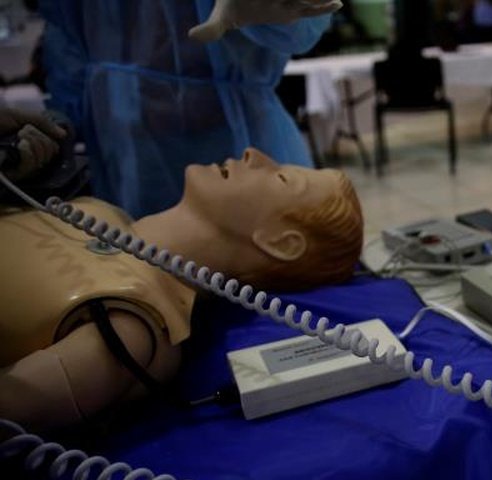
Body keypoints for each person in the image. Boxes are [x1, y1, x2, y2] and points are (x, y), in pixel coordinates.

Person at [0, 147, 363, 434]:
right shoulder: (96, 212)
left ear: (281, 243)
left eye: (281, 177)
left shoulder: (133, 330)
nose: (255, 154)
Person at [37, 0, 341, 218]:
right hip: (122, 151)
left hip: (232, 130)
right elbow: (66, 55)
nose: (247, 163)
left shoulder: (243, 171)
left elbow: (304, 23)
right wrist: (56, 130)